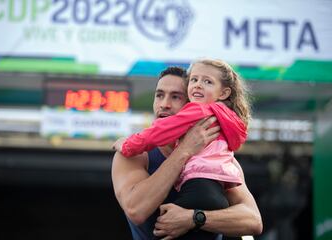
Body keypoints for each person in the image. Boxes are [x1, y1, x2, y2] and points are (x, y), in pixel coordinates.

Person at [112, 66, 262, 239]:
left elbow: (253, 220)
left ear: (193, 101)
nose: (164, 104)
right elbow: (136, 210)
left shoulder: (221, 160)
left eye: (176, 97)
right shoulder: (135, 156)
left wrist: (195, 218)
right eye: (159, 95)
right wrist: (185, 150)